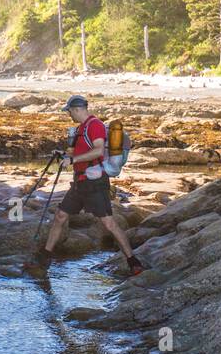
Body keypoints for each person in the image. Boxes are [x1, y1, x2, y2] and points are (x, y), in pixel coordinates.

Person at [32, 95, 147, 276]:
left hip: (95, 183)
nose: (69, 114)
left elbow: (98, 150)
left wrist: (73, 159)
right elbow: (80, 152)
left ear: (77, 109)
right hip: (80, 181)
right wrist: (64, 155)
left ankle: (133, 261)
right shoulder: (81, 128)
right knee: (61, 215)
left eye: (69, 111)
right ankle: (45, 258)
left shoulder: (95, 125)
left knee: (109, 223)